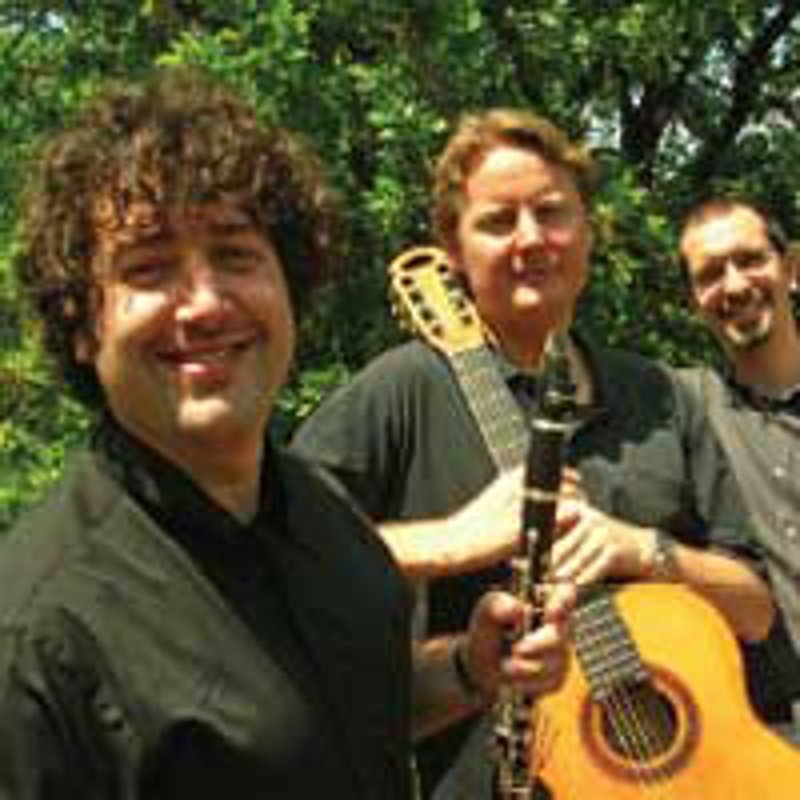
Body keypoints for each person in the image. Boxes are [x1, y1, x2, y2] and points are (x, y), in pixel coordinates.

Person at [0, 71, 575, 799]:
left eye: (235, 255)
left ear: (288, 286)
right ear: (81, 325)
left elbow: (337, 719)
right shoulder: (35, 638)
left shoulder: (327, 513)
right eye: (148, 269)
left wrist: (468, 668)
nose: (205, 304)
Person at [291, 109, 776, 797]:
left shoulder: (662, 396)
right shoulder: (403, 390)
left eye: (551, 212)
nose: (531, 238)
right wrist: (449, 541)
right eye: (498, 221)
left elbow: (756, 611)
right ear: (452, 250)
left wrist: (643, 550)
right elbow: (275, 546)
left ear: (588, 230)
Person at [678, 197, 800, 740]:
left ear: (791, 268)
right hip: (761, 738)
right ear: (694, 301)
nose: (733, 285)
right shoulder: (683, 410)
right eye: (709, 274)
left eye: (750, 260)